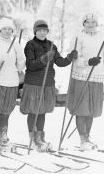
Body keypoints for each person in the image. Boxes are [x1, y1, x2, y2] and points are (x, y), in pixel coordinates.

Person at [20, 20, 78, 152]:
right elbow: (30, 65)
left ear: (47, 32)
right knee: (33, 110)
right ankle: (33, 138)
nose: (42, 32)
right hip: (34, 83)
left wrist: (69, 58)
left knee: (42, 111)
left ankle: (40, 137)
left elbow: (60, 62)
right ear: (35, 31)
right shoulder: (30, 45)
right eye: (39, 30)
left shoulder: (52, 45)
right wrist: (44, 59)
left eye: (44, 30)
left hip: (47, 83)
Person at [67, 13, 104, 150]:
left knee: (90, 110)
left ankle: (87, 137)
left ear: (97, 24)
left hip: (96, 77)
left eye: (93, 22)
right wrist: (88, 62)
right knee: (81, 109)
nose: (90, 25)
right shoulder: (78, 37)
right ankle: (82, 139)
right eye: (87, 22)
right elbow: (75, 58)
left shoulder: (102, 37)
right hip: (81, 76)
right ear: (83, 23)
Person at [0, 18, 25, 153]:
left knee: (6, 113)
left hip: (11, 83)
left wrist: (20, 61)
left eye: (9, 29)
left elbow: (20, 66)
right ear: (0, 30)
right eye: (4, 28)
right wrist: (0, 59)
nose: (7, 31)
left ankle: (3, 136)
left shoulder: (16, 45)